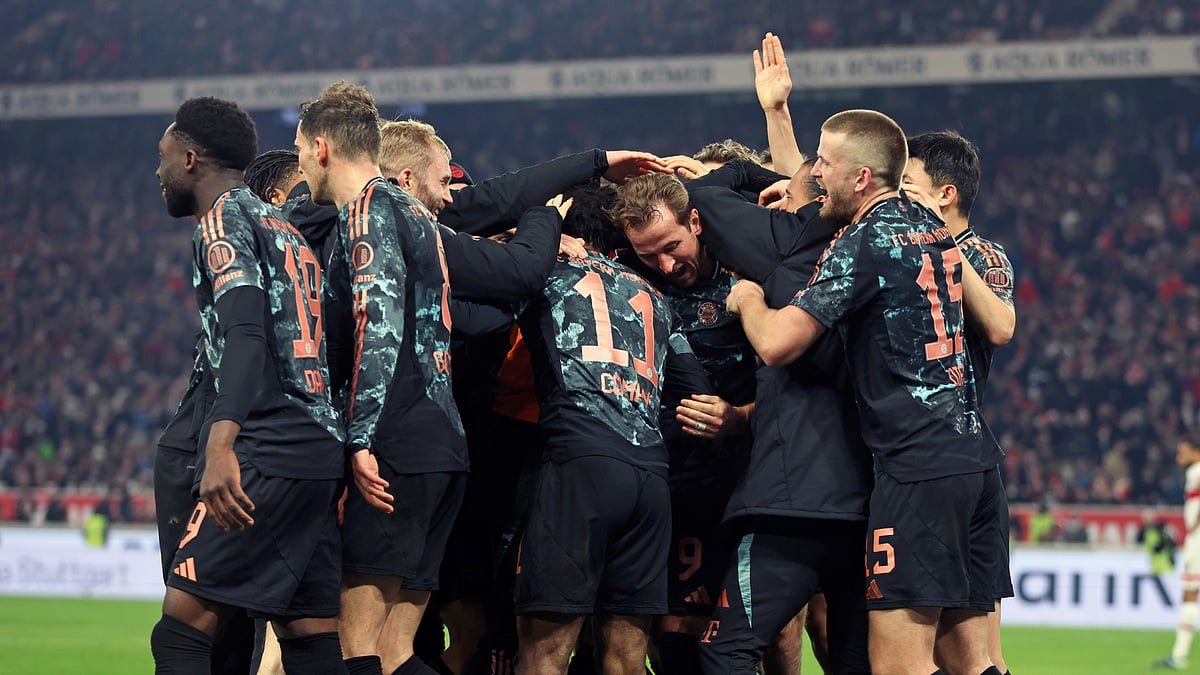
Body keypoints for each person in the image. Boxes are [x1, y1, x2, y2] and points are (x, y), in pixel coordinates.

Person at [725, 109, 1003, 675]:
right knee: (976, 663)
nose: (814, 170)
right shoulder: (933, 229)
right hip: (976, 461)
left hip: (915, 468)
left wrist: (749, 299)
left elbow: (778, 344)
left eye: (824, 163)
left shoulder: (865, 239)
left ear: (860, 179)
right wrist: (778, 115)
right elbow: (824, 194)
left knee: (901, 665)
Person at [150, 96, 347, 674]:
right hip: (317, 448)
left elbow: (245, 334)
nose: (156, 172)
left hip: (269, 445)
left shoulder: (224, 220)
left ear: (190, 159)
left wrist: (219, 444)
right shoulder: (282, 228)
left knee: (182, 632)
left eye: (161, 157)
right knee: (310, 635)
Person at [295, 80, 466, 675]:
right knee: (396, 654)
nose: (300, 172)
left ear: (320, 149)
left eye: (299, 155)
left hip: (392, 440)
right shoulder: (415, 215)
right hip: (441, 441)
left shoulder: (366, 210)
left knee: (355, 649)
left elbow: (380, 321)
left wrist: (361, 436)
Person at [677, 159, 872, 675]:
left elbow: (702, 193)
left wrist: (748, 299)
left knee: (725, 653)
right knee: (858, 662)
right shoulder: (888, 264)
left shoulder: (789, 246)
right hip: (872, 505)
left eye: (786, 202)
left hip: (793, 500)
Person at [512, 183, 713, 675]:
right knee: (625, 660)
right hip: (650, 477)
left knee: (545, 655)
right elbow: (696, 388)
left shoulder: (548, 270)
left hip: (580, 463)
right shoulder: (654, 296)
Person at [903, 130, 1017, 675]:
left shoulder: (983, 254)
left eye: (908, 182)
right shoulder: (898, 243)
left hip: (960, 458)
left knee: (975, 654)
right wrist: (778, 115)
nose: (898, 194)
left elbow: (1000, 326)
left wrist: (940, 240)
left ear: (944, 195)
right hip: (930, 458)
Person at [1153, 438, 1200, 670]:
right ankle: (1179, 654)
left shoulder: (1197, 471)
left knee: (1190, 595)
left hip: (1198, 540)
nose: (1178, 457)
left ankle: (1179, 655)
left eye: (1183, 452)